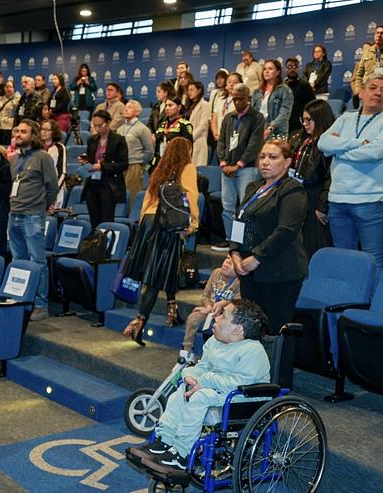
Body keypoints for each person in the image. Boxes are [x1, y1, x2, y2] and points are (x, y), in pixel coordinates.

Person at [128, 299, 269, 472]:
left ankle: (182, 454)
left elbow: (240, 383)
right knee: (182, 391)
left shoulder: (253, 351)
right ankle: (164, 441)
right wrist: (190, 377)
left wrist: (206, 381)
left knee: (200, 396)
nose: (215, 318)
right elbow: (202, 366)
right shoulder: (215, 342)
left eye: (223, 316)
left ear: (237, 329)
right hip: (217, 393)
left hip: (244, 400)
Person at [228, 140, 308, 388]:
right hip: (250, 270)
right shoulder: (254, 187)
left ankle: (280, 385)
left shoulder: (292, 190)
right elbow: (239, 221)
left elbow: (285, 230)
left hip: (280, 273)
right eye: (262, 156)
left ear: (287, 162)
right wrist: (234, 252)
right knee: (252, 329)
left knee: (276, 331)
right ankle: (255, 379)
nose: (265, 162)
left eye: (272, 157)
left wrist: (257, 257)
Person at [318, 72, 383, 278]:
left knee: (373, 261)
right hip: (338, 199)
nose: (378, 93)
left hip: (372, 201)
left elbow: (375, 152)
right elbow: (323, 143)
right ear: (362, 92)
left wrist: (339, 149)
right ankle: (344, 305)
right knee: (343, 260)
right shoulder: (345, 118)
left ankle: (370, 307)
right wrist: (358, 143)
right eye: (373, 88)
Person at [122, 137, 199, 344]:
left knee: (166, 268)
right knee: (155, 276)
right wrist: (192, 223)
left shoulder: (160, 168)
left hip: (149, 221)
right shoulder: (188, 168)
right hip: (168, 224)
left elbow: (147, 198)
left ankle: (172, 310)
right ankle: (139, 323)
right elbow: (191, 197)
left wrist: (143, 222)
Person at [8, 119, 59, 321]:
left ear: (33, 135)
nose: (18, 134)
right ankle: (20, 298)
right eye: (17, 131)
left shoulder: (43, 157)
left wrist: (41, 207)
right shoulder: (15, 159)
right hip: (14, 214)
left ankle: (40, 305)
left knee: (37, 261)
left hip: (33, 216)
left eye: (24, 131)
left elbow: (52, 187)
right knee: (17, 260)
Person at [217, 83, 266, 241]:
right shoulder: (228, 117)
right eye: (234, 99)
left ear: (249, 99)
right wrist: (224, 163)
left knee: (245, 208)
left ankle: (243, 243)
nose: (237, 102)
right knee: (227, 208)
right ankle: (231, 241)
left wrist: (238, 165)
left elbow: (254, 145)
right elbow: (222, 142)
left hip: (247, 169)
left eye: (240, 99)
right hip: (227, 169)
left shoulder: (257, 118)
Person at [289, 99, 335, 258]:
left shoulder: (330, 143)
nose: (305, 124)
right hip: (298, 193)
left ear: (321, 118)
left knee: (314, 242)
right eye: (303, 119)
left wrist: (322, 205)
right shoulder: (300, 139)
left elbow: (331, 176)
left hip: (316, 195)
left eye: (309, 120)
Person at [181, 257, 241, 360]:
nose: (226, 263)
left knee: (219, 326)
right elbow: (205, 295)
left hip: (225, 315)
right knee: (193, 318)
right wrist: (208, 307)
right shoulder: (216, 273)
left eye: (231, 263)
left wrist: (224, 304)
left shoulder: (239, 282)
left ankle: (214, 357)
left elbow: (238, 301)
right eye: (226, 259)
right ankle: (187, 352)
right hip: (210, 311)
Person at [80, 110, 129, 227]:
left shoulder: (118, 140)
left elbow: (123, 164)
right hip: (93, 183)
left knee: (106, 219)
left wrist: (102, 166)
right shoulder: (92, 140)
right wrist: (86, 160)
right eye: (94, 125)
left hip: (109, 184)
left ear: (108, 123)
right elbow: (92, 160)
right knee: (94, 219)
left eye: (100, 125)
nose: (97, 128)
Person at [118, 100, 154, 204]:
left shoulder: (142, 129)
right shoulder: (120, 129)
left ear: (137, 112)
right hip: (121, 166)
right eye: (126, 106)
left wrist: (140, 165)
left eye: (130, 107)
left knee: (132, 195)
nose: (126, 108)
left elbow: (149, 151)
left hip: (134, 165)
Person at [251, 60, 294, 140]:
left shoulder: (284, 90)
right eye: (264, 69)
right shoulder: (257, 92)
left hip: (277, 132)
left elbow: (285, 113)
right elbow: (252, 112)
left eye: (270, 69)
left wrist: (271, 127)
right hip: (258, 130)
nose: (266, 71)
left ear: (277, 72)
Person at [149, 97, 193, 173]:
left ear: (179, 107)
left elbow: (187, 147)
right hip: (159, 163)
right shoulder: (162, 124)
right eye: (166, 106)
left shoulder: (185, 125)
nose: (167, 108)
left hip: (175, 163)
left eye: (170, 105)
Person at [40, 119, 68, 209]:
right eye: (42, 129)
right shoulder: (36, 147)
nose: (44, 132)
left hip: (54, 189)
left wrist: (54, 190)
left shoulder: (60, 148)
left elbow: (62, 172)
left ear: (53, 132)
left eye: (47, 130)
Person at [285, 58, 316, 135]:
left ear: (298, 68)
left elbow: (312, 104)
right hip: (285, 124)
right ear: (285, 69)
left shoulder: (304, 85)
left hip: (300, 125)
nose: (292, 69)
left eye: (295, 67)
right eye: (289, 67)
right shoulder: (282, 86)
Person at [209, 73, 241, 145]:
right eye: (229, 82)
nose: (232, 84)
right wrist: (216, 134)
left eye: (235, 82)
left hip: (233, 138)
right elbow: (214, 119)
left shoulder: (241, 101)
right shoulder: (220, 99)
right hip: (219, 138)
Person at [186, 81, 211, 166]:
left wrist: (189, 137)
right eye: (188, 90)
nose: (189, 92)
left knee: (198, 171)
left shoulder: (205, 105)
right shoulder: (189, 105)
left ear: (199, 90)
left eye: (192, 90)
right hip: (189, 143)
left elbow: (203, 126)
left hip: (198, 141)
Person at [0, 80, 20, 145]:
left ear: (14, 89)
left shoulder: (17, 99)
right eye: (7, 87)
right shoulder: (0, 99)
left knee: (7, 146)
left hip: (8, 127)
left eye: (11, 87)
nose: (9, 89)